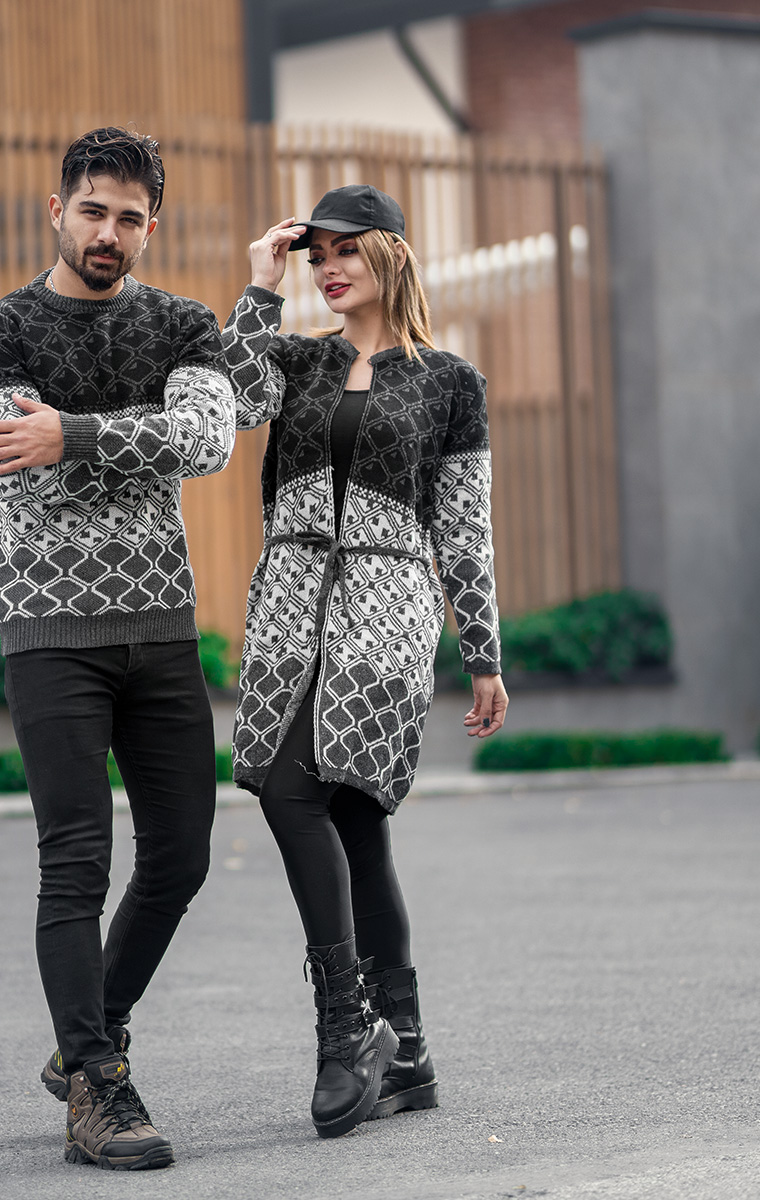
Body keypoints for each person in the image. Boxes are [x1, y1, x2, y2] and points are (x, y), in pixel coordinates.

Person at [0, 127, 235, 1171]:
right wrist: (130, 436)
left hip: (160, 622)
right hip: (50, 631)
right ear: (56, 211)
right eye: (92, 211)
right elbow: (15, 470)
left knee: (183, 853)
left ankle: (86, 1033)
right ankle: (98, 1090)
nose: (108, 232)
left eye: (129, 217)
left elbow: (208, 440)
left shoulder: (185, 324)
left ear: (151, 225)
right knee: (75, 859)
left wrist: (70, 430)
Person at [221, 184, 509, 1139]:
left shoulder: (450, 382)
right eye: (317, 256)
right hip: (291, 607)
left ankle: (345, 1033)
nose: (329, 269)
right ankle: (409, 1050)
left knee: (303, 796)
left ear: (389, 252)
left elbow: (464, 528)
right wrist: (261, 288)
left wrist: (483, 653)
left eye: (346, 250)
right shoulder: (298, 360)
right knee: (347, 818)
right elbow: (232, 405)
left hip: (387, 615)